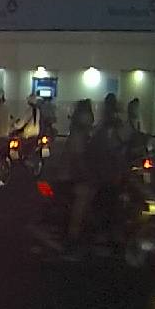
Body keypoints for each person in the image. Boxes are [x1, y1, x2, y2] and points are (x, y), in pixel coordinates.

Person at [60, 99, 97, 257]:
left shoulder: (85, 136)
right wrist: (89, 175)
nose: (90, 120)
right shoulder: (77, 136)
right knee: (83, 197)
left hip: (76, 176)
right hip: (69, 178)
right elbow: (78, 161)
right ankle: (72, 238)